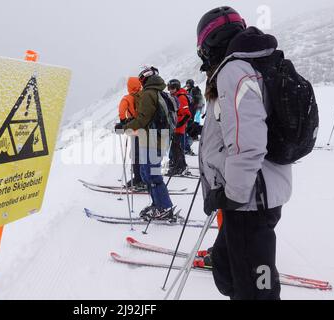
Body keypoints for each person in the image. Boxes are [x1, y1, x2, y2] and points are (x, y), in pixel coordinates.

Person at [197, 6, 292, 300]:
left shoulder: (234, 70)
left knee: (256, 293)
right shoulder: (250, 67)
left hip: (249, 201)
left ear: (210, 44)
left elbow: (249, 144)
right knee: (226, 270)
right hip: (248, 195)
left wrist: (232, 195)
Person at [115, 66, 175, 221]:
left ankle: (163, 207)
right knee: (147, 173)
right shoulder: (159, 92)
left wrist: (124, 127)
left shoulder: (148, 94)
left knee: (151, 174)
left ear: (144, 78)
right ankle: (158, 205)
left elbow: (143, 119)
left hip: (152, 140)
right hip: (157, 137)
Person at [118, 77, 144, 189]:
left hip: (134, 130)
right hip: (146, 130)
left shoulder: (128, 98)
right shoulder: (145, 95)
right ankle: (145, 178)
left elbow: (121, 110)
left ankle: (138, 179)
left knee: (136, 155)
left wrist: (123, 121)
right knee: (145, 156)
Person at [167, 79, 191, 175]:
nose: (170, 90)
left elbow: (186, 114)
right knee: (175, 148)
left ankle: (179, 167)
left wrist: (178, 124)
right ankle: (181, 166)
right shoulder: (175, 96)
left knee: (177, 148)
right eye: (169, 88)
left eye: (172, 88)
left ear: (176, 88)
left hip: (179, 128)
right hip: (175, 127)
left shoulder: (181, 97)